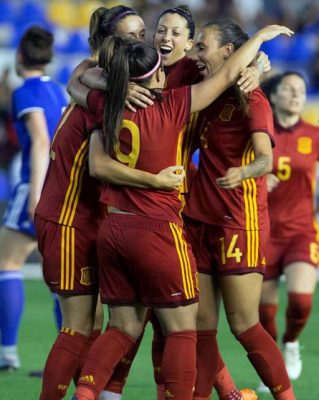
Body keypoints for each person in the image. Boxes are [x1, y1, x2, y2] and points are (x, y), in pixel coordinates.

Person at [72, 25, 293, 400]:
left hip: (115, 226)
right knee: (183, 329)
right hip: (158, 228)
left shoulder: (106, 104)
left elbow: (77, 85)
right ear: (157, 76)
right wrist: (259, 41)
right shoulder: (173, 105)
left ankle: (86, 393)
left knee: (123, 326)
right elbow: (226, 72)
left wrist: (111, 83)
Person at [35, 10, 183, 400]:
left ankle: (101, 394)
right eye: (127, 37)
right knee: (78, 328)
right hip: (69, 220)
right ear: (106, 47)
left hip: (91, 220)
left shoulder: (109, 87)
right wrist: (156, 181)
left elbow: (79, 77)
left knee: (113, 323)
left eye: (141, 34)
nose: (140, 43)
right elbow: (100, 165)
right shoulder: (102, 98)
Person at [182, 19, 295, 400]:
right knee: (201, 328)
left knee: (244, 325)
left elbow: (266, 159)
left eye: (203, 47)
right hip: (198, 220)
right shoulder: (206, 91)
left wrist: (243, 172)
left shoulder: (253, 100)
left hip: (239, 223)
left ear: (228, 52)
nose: (196, 54)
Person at [256, 71, 319, 388]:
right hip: (262, 231)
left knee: (301, 300)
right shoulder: (260, 133)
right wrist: (257, 176)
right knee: (264, 311)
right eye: (289, 89)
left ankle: (291, 342)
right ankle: (273, 366)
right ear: (274, 95)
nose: (296, 95)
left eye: (301, 91)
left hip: (301, 230)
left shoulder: (316, 135)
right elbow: (235, 165)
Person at [0, 25, 67, 372]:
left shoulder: (25, 92)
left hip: (37, 185)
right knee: (59, 276)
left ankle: (7, 353)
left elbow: (41, 140)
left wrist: (35, 195)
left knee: (6, 263)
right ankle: (66, 360)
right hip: (65, 188)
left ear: (20, 55)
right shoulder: (59, 90)